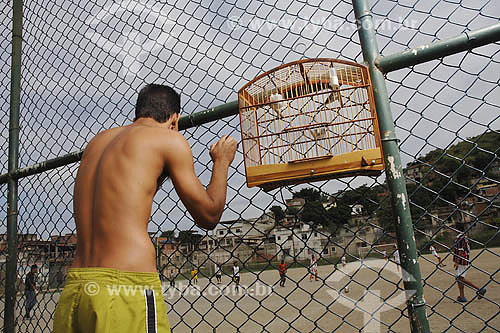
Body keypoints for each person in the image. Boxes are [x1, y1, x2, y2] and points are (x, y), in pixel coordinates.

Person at [53, 84, 238, 333]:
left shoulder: (98, 142)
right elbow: (209, 215)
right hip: (125, 285)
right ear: (175, 119)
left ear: (138, 113)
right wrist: (222, 161)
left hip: (77, 286)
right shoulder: (169, 139)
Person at [453, 223, 486, 303]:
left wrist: (457, 261)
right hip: (463, 259)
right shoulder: (464, 237)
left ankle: (479, 289)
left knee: (459, 278)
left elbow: (460, 250)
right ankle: (462, 296)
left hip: (462, 260)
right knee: (459, 278)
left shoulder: (460, 237)